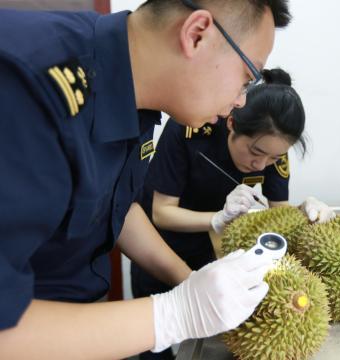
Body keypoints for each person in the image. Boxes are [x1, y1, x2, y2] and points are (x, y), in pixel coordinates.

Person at [0, 0, 292, 358]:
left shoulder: (138, 100)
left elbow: (115, 207)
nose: (241, 101)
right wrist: (174, 315)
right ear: (196, 34)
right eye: (247, 76)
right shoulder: (26, 84)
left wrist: (191, 285)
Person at [131, 68, 335, 359]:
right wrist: (217, 218)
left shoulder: (273, 150)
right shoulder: (189, 131)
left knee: (204, 343)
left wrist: (307, 212)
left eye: (274, 157)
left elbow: (280, 218)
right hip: (160, 249)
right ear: (231, 124)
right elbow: (162, 213)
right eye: (255, 152)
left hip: (217, 257)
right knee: (155, 344)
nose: (261, 164)